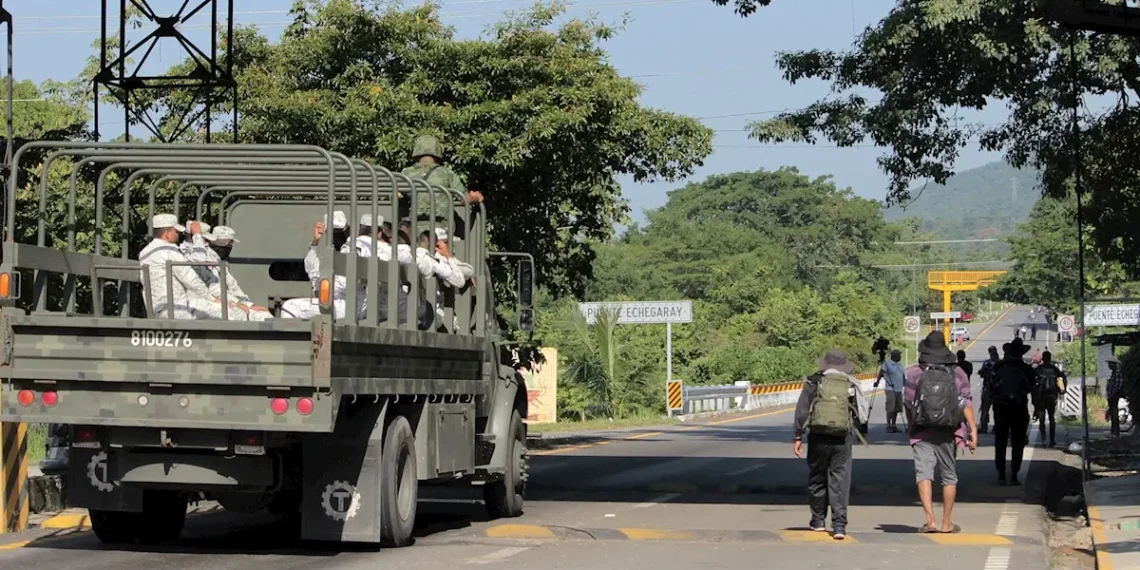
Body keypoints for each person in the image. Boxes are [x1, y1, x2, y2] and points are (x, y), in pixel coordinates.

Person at [904, 331, 977, 533]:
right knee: (949, 475)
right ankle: (946, 523)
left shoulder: (914, 373)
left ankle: (930, 521)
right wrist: (973, 430)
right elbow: (965, 402)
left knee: (924, 473)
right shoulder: (957, 373)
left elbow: (908, 403)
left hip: (921, 430)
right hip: (949, 429)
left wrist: (912, 427)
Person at [792, 349, 869, 540]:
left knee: (817, 475)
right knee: (840, 480)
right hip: (842, 438)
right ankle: (839, 525)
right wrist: (858, 431)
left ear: (825, 363)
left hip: (818, 436)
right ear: (844, 365)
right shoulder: (851, 383)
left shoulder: (813, 381)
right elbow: (862, 414)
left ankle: (818, 520)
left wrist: (798, 436)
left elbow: (802, 410)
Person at [139, 214, 242, 320]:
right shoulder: (170, 251)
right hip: (176, 307)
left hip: (157, 308)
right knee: (229, 311)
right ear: (167, 234)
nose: (178, 235)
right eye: (176, 232)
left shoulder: (145, 252)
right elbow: (191, 279)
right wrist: (212, 299)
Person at [400, 134, 485, 237]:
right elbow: (464, 198)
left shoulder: (406, 173)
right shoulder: (446, 173)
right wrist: (476, 197)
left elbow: (395, 196)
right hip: (441, 229)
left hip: (413, 229)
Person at [184, 224, 272, 321]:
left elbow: (232, 285)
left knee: (262, 316)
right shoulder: (203, 258)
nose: (231, 247)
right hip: (204, 304)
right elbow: (215, 288)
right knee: (253, 316)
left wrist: (248, 304)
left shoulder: (216, 259)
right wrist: (240, 304)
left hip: (219, 302)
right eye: (230, 244)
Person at [281, 211, 352, 320]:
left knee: (289, 307)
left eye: (340, 233)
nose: (337, 237)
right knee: (289, 307)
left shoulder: (352, 250)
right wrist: (315, 242)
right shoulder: (329, 255)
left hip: (348, 305)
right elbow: (313, 274)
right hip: (332, 304)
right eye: (334, 233)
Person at [991, 339, 1036, 485]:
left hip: (1001, 409)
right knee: (1018, 442)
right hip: (1019, 408)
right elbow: (1033, 390)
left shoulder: (999, 367)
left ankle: (1001, 474)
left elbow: (991, 390)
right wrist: (1036, 407)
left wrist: (987, 410)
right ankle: (1014, 474)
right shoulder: (1027, 370)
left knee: (1001, 442)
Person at [1034, 351, 1066, 447]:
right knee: (1052, 418)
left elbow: (1031, 380)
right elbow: (1063, 378)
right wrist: (1062, 390)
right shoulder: (1055, 370)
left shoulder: (1039, 369)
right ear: (1050, 358)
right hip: (1052, 397)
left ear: (1043, 359)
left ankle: (1043, 439)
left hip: (1041, 397)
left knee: (1042, 419)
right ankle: (1052, 440)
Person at [879, 349, 906, 433]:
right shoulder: (887, 364)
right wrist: (877, 381)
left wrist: (905, 385)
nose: (900, 356)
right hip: (890, 389)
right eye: (899, 355)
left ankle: (894, 425)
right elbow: (881, 373)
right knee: (890, 408)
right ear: (894, 356)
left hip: (899, 389)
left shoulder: (900, 364)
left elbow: (902, 376)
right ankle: (888, 425)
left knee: (897, 408)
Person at [977, 346, 1000, 434]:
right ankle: (990, 427)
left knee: (985, 408)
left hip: (990, 389)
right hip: (995, 390)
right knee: (992, 409)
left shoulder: (988, 363)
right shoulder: (999, 363)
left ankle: (984, 427)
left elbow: (981, 372)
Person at [1106, 355, 1126, 436]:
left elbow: (1118, 384)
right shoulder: (1113, 373)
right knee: (1112, 412)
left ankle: (1115, 431)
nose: (1109, 366)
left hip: (1114, 395)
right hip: (1111, 395)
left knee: (1114, 413)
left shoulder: (1117, 373)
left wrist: (1113, 393)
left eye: (1110, 364)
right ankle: (1113, 430)